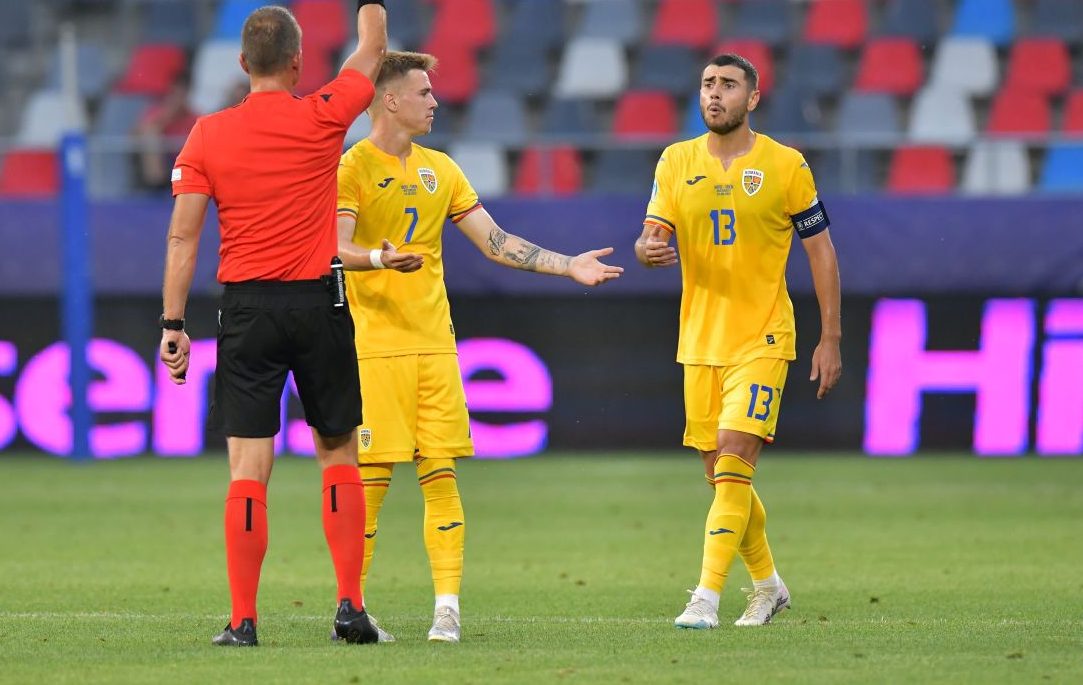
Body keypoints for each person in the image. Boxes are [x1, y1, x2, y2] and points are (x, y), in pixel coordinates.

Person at [334, 50, 624, 642]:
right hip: (374, 347)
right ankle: (351, 610)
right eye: (423, 92)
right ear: (390, 99)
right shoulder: (351, 167)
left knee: (441, 474)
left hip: (435, 346)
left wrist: (568, 264)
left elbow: (495, 241)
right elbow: (334, 248)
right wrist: (380, 259)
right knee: (372, 482)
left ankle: (447, 610)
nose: (434, 101)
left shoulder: (441, 169)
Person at [159, 0, 390, 647]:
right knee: (338, 453)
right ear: (297, 62)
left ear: (241, 63)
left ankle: (243, 620)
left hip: (248, 309)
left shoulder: (206, 135)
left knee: (248, 467)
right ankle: (349, 608)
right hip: (318, 301)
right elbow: (373, 51)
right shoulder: (322, 117)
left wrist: (173, 325)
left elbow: (183, 237)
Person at [634, 53, 842, 630]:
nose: (715, 93)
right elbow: (651, 236)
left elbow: (821, 251)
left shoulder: (786, 165)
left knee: (732, 460)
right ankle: (769, 586)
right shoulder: (676, 160)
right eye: (708, 83)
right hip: (700, 340)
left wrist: (830, 337)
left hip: (763, 336)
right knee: (723, 476)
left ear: (752, 98)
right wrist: (646, 251)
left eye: (728, 85)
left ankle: (705, 597)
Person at [135, 78, 198, 191]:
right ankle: (156, 185)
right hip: (163, 162)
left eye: (181, 95)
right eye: (175, 94)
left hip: (185, 165)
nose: (178, 98)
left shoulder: (194, 116)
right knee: (150, 135)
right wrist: (168, 115)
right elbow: (138, 133)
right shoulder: (155, 112)